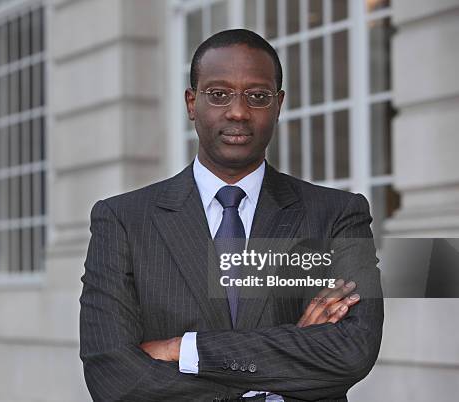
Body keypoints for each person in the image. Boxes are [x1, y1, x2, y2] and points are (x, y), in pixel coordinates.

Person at [79, 29, 383, 402]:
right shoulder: (122, 221)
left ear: (279, 104)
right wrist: (289, 357)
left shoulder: (339, 215)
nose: (238, 111)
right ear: (192, 103)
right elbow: (111, 376)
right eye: (219, 95)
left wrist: (184, 350)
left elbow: (352, 351)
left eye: (257, 96)